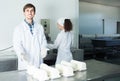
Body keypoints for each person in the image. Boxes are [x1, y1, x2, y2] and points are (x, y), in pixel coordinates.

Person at [13, 3, 47, 70]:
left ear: (34, 13)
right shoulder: (18, 28)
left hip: (38, 60)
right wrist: (21, 54)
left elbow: (43, 41)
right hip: (25, 63)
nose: (30, 12)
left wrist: (44, 49)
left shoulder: (40, 27)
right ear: (24, 13)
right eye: (27, 10)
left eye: (32, 10)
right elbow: (17, 44)